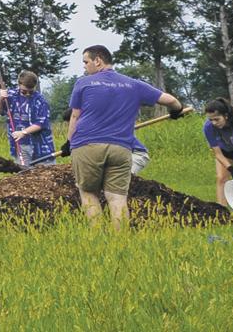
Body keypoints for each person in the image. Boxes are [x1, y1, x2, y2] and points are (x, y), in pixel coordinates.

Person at [65, 45, 184, 229]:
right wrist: (177, 111)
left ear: (98, 60)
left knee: (89, 193)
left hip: (87, 145)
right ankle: (120, 241)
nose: (85, 67)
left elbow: (75, 116)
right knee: (117, 197)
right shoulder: (133, 84)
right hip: (121, 149)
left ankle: (97, 241)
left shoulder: (83, 83)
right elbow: (171, 101)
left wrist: (69, 142)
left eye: (86, 62)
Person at [62, 107, 150, 175]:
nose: (70, 127)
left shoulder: (96, 128)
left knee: (119, 181)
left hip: (135, 155)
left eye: (70, 123)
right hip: (116, 157)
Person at [0, 70, 54, 166]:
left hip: (41, 147)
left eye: (30, 92)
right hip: (20, 146)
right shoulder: (11, 95)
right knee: (24, 176)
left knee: (45, 176)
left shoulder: (40, 100)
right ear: (19, 84)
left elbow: (41, 123)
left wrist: (23, 132)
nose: (28, 94)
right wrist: (1, 98)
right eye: (24, 92)